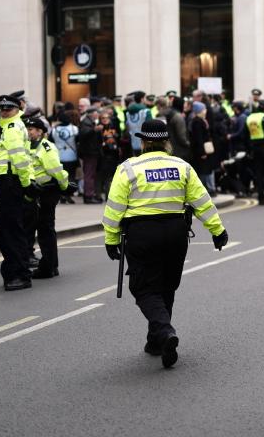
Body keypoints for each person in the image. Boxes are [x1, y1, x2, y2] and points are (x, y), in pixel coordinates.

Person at [102, 119, 229, 366]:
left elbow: (115, 207)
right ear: (166, 142)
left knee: (144, 288)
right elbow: (202, 200)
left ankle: (164, 332)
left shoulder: (128, 168)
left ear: (143, 142)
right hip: (175, 231)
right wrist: (217, 230)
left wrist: (111, 238)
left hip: (142, 233)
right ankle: (156, 340)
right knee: (167, 285)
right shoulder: (181, 166)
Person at [0, 94, 35, 290]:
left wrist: (25, 183)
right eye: (2, 109)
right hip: (7, 181)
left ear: (17, 109)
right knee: (10, 230)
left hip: (12, 182)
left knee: (11, 232)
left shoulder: (13, 128)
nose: (5, 112)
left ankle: (19, 274)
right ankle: (17, 272)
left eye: (9, 109)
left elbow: (19, 158)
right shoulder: (4, 126)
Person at [24, 117, 71, 278]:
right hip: (35, 193)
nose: (28, 132)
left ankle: (49, 267)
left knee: (45, 231)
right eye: (27, 129)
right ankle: (50, 265)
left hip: (46, 193)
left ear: (40, 132)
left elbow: (56, 170)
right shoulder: (27, 146)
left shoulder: (46, 146)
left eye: (31, 129)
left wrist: (65, 185)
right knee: (41, 229)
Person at [188, 102, 217, 193]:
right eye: (204, 109)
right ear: (199, 111)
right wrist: (202, 152)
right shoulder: (197, 122)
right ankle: (204, 189)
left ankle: (208, 188)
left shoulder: (201, 120)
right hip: (201, 151)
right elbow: (199, 139)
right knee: (203, 170)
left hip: (203, 150)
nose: (206, 110)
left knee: (206, 170)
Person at [51, 113, 79, 203]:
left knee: (60, 176)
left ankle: (62, 194)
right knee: (71, 176)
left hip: (59, 155)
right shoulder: (74, 129)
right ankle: (68, 195)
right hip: (72, 155)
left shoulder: (54, 129)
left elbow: (51, 140)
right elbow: (78, 140)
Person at [77, 107, 103, 204]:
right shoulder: (86, 123)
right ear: (91, 113)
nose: (98, 114)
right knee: (89, 174)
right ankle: (88, 196)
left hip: (92, 151)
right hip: (89, 152)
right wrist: (95, 130)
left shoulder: (89, 122)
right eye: (96, 112)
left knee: (90, 174)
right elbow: (84, 133)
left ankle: (89, 195)